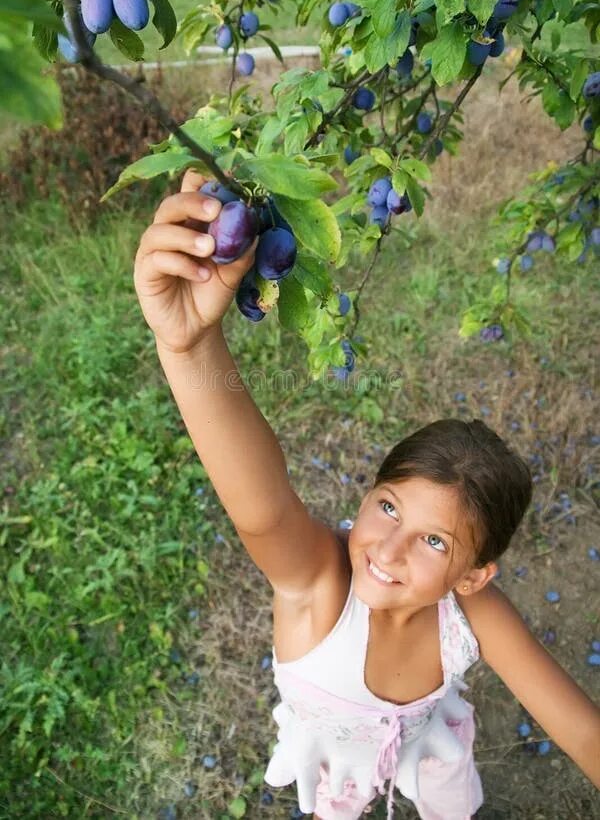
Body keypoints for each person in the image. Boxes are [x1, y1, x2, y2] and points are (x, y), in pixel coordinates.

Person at [133, 171, 600, 819]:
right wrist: (189, 347)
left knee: (450, 797)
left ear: (473, 575)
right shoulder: (320, 587)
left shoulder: (472, 615)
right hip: (335, 764)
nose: (389, 547)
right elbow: (263, 509)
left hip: (429, 744)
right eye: (388, 507)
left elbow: (583, 733)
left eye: (436, 541)